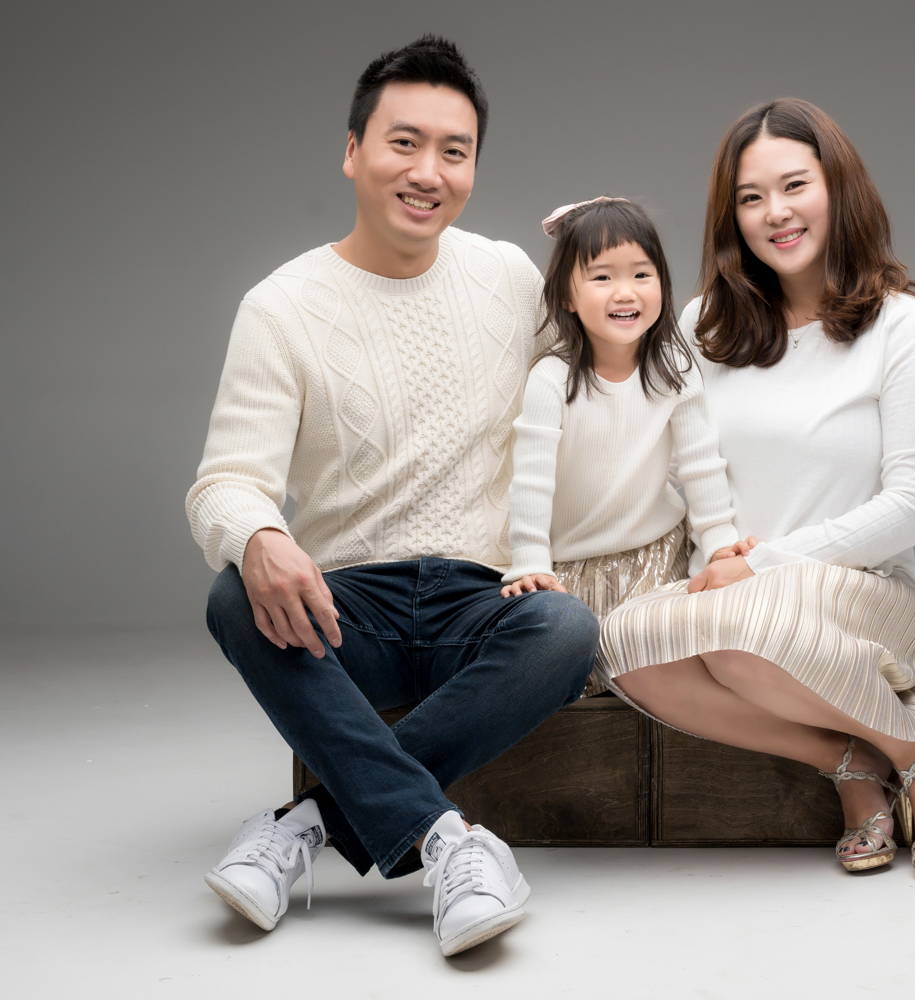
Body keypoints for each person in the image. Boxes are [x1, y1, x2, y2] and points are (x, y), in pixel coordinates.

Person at [185, 36, 597, 955]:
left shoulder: (506, 279)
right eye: (403, 143)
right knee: (230, 594)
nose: (429, 172)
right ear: (352, 151)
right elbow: (224, 481)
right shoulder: (283, 305)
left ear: (475, 168)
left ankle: (302, 830)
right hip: (347, 611)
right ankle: (449, 843)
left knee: (567, 631)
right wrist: (256, 533)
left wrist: (600, 243)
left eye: (455, 152)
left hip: (480, 604)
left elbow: (606, 380)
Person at [599, 98, 915, 881]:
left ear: (839, 188)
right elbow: (674, 470)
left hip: (865, 595)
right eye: (750, 197)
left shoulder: (903, 327)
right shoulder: (707, 323)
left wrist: (766, 561)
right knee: (622, 643)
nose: (774, 213)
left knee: (737, 637)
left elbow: (914, 507)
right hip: (734, 588)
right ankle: (848, 762)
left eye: (794, 185)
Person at [500, 197, 746, 693]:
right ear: (567, 296)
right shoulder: (553, 378)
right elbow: (531, 478)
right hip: (574, 567)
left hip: (656, 557)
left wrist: (719, 538)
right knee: (573, 675)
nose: (624, 292)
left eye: (641, 274)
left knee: (678, 659)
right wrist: (529, 559)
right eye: (602, 277)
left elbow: (699, 463)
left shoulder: (675, 370)